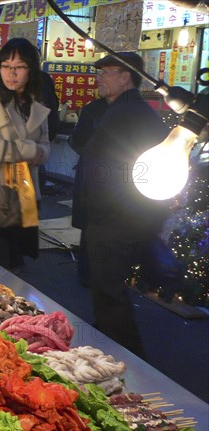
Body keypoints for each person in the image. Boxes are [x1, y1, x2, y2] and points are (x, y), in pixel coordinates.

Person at [81, 52, 170, 357]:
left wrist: (102, 207)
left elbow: (97, 157)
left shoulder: (126, 112)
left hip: (114, 218)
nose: (99, 78)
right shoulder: (127, 109)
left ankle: (128, 361)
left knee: (109, 293)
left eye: (107, 72)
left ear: (126, 76)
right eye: (99, 72)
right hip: (121, 215)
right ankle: (107, 351)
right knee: (107, 289)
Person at [0, 38, 50, 272]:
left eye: (19, 67)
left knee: (17, 257)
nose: (12, 73)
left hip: (26, 190)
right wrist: (31, 150)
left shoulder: (35, 101)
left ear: (31, 69)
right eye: (6, 66)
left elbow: (46, 147)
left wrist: (39, 151)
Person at [68, 97, 109, 287]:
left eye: (107, 73)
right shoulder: (94, 108)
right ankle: (91, 274)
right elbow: (76, 140)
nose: (101, 78)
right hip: (102, 176)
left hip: (98, 176)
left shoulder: (94, 108)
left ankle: (89, 274)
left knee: (92, 227)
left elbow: (75, 141)